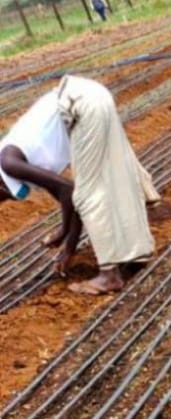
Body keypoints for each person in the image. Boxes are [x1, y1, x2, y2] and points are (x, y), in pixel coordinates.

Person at [0, 75, 158, 295]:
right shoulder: (19, 159)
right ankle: (137, 255)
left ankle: (109, 277)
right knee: (113, 180)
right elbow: (69, 200)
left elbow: (71, 192)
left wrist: (65, 232)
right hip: (92, 97)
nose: (8, 197)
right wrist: (68, 248)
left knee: (90, 194)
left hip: (83, 105)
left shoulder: (8, 162)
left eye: (4, 196)